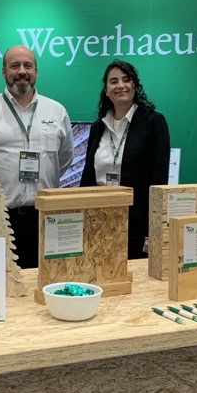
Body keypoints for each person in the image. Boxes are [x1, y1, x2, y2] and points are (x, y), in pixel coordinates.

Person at [0, 45, 73, 268]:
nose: (21, 71)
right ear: (3, 71)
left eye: (28, 65)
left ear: (36, 71)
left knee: (43, 286)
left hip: (45, 220)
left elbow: (64, 158)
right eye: (14, 66)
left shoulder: (57, 111)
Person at [80, 60, 170, 260]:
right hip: (99, 219)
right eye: (113, 81)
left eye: (126, 80)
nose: (120, 85)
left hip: (136, 223)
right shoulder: (97, 127)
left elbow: (159, 179)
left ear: (134, 86)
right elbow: (88, 177)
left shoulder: (153, 122)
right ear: (106, 90)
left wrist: (153, 230)